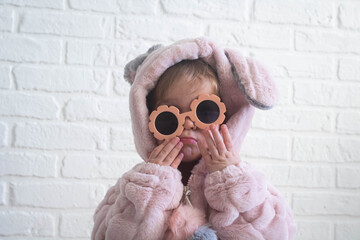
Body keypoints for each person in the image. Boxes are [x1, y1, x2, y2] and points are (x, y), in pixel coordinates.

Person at [91, 37, 297, 240]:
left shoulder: (249, 184)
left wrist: (232, 185)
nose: (188, 124)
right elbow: (105, 234)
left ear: (225, 119)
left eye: (205, 111)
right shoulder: (135, 186)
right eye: (168, 118)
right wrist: (149, 191)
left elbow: (277, 233)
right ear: (147, 124)